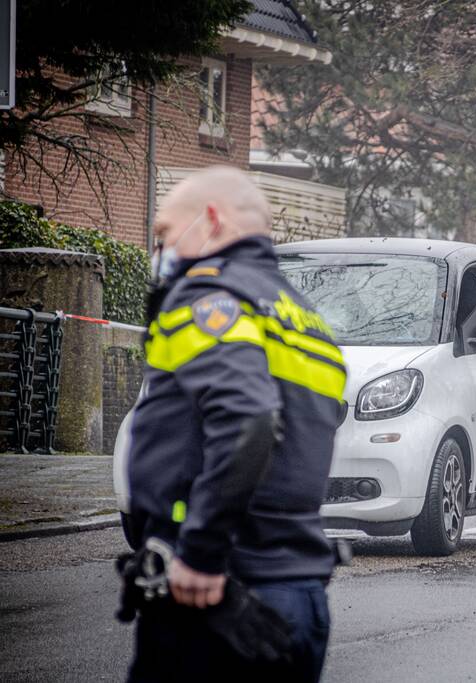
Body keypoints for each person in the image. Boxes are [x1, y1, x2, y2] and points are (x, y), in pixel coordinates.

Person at [123, 166, 346, 681]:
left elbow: (247, 417)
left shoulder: (209, 298)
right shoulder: (307, 320)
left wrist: (200, 552)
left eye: (163, 234)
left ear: (212, 220)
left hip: (218, 593)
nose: (161, 250)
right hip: (299, 596)